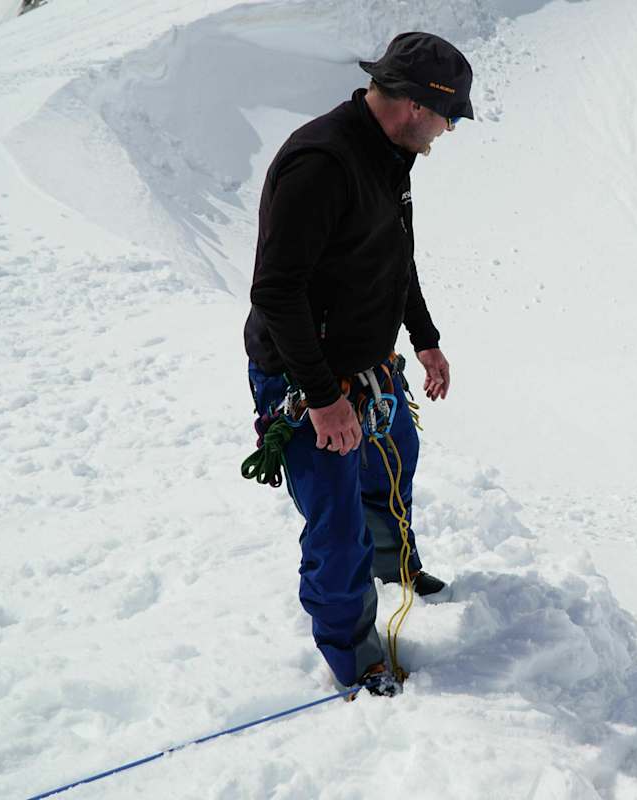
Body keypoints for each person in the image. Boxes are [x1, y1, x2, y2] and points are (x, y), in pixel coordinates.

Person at [243, 32, 474, 691]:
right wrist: (322, 399)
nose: (448, 130)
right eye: (449, 116)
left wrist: (423, 337)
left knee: (395, 457)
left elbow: (391, 258)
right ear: (414, 106)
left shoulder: (388, 155)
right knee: (335, 527)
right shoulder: (324, 162)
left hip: (369, 368)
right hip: (307, 379)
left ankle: (392, 565)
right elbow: (276, 290)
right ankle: (353, 654)